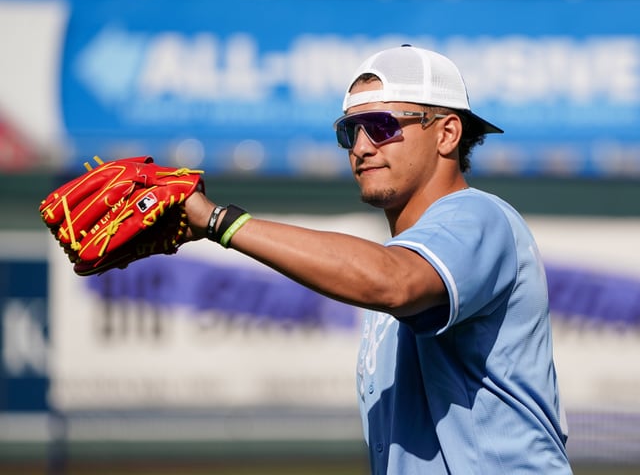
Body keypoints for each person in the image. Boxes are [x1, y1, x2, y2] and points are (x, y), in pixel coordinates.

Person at [184, 44, 572, 474]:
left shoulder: (477, 216)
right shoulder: (400, 257)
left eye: (382, 126)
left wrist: (220, 222)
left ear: (446, 133)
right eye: (350, 131)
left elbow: (392, 283)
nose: (362, 147)